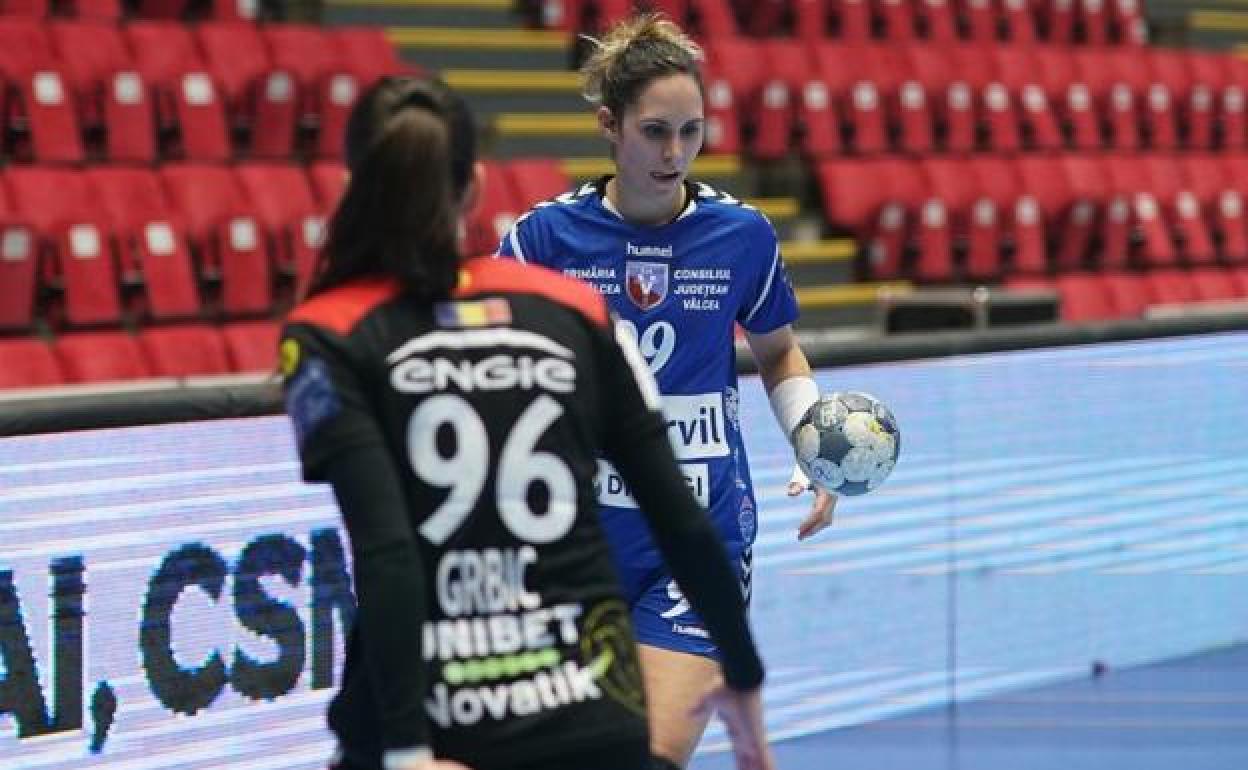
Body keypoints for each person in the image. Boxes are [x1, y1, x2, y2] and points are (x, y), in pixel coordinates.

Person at [279, 75, 777, 770]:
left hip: (443, 708)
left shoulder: (326, 334)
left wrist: (405, 748)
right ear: (475, 187)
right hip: (584, 709)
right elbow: (681, 514)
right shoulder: (568, 308)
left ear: (351, 183)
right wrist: (745, 679)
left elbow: (386, 552)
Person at [496, 13, 835, 768]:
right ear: (608, 125)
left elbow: (779, 353)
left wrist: (812, 439)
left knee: (650, 752)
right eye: (654, 131)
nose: (675, 153)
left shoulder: (741, 236)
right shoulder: (542, 242)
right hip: (573, 541)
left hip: (698, 534)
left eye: (692, 130)